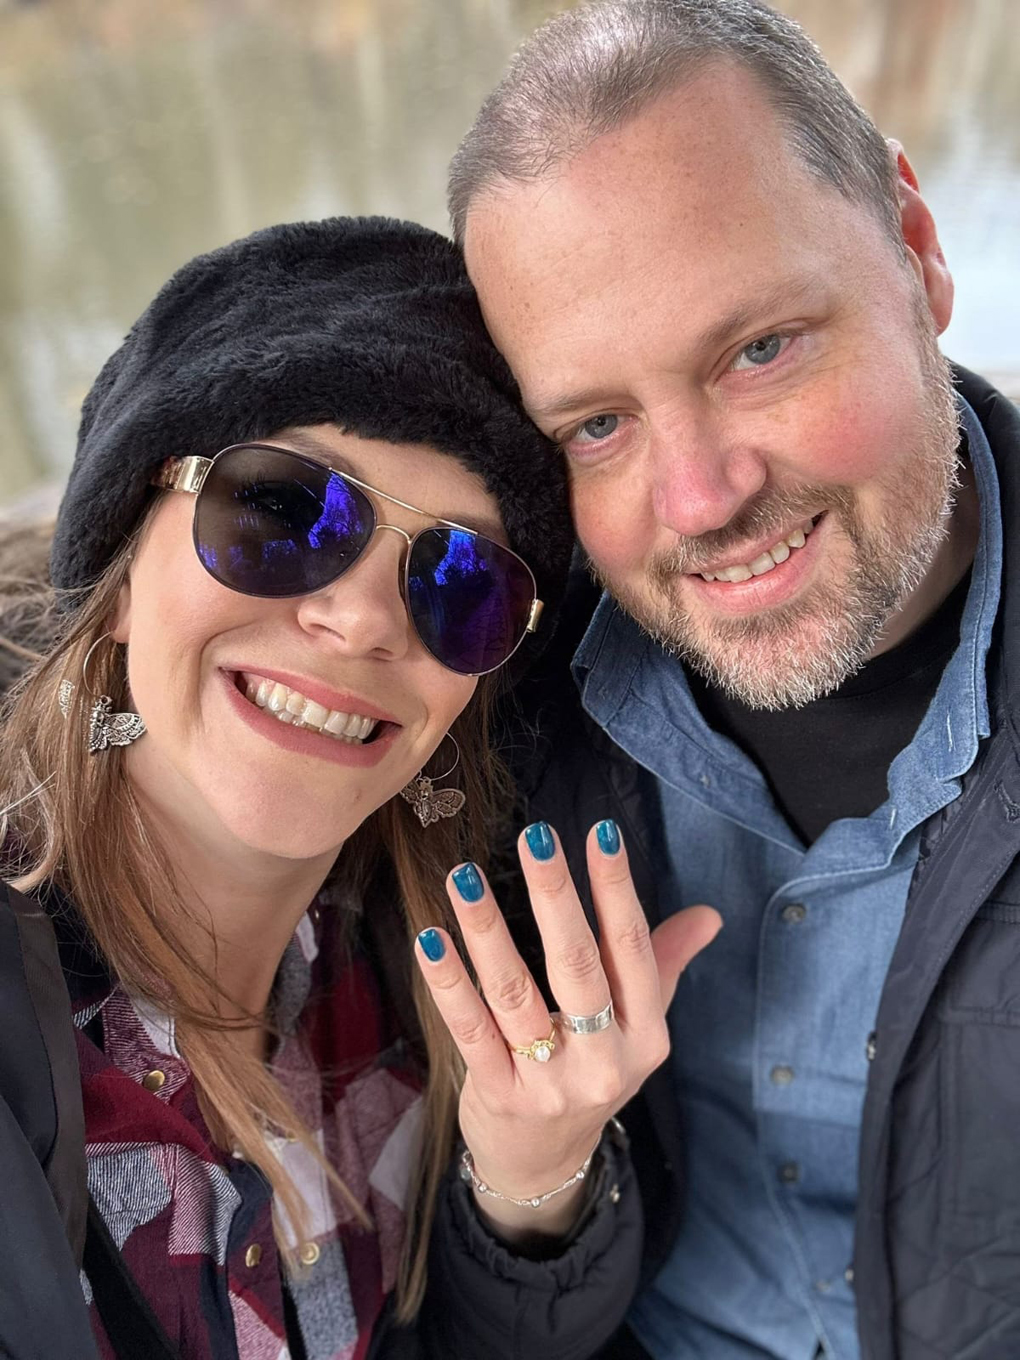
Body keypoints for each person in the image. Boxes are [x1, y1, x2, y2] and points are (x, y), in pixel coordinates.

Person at [0, 215, 721, 1360]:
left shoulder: (430, 987)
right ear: (124, 565)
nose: (361, 620)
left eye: (461, 578)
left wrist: (529, 1185)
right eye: (282, 508)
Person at [450, 2, 1020, 1357]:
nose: (700, 499)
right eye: (598, 424)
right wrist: (530, 1190)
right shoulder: (487, 708)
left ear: (918, 251)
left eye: (759, 349)